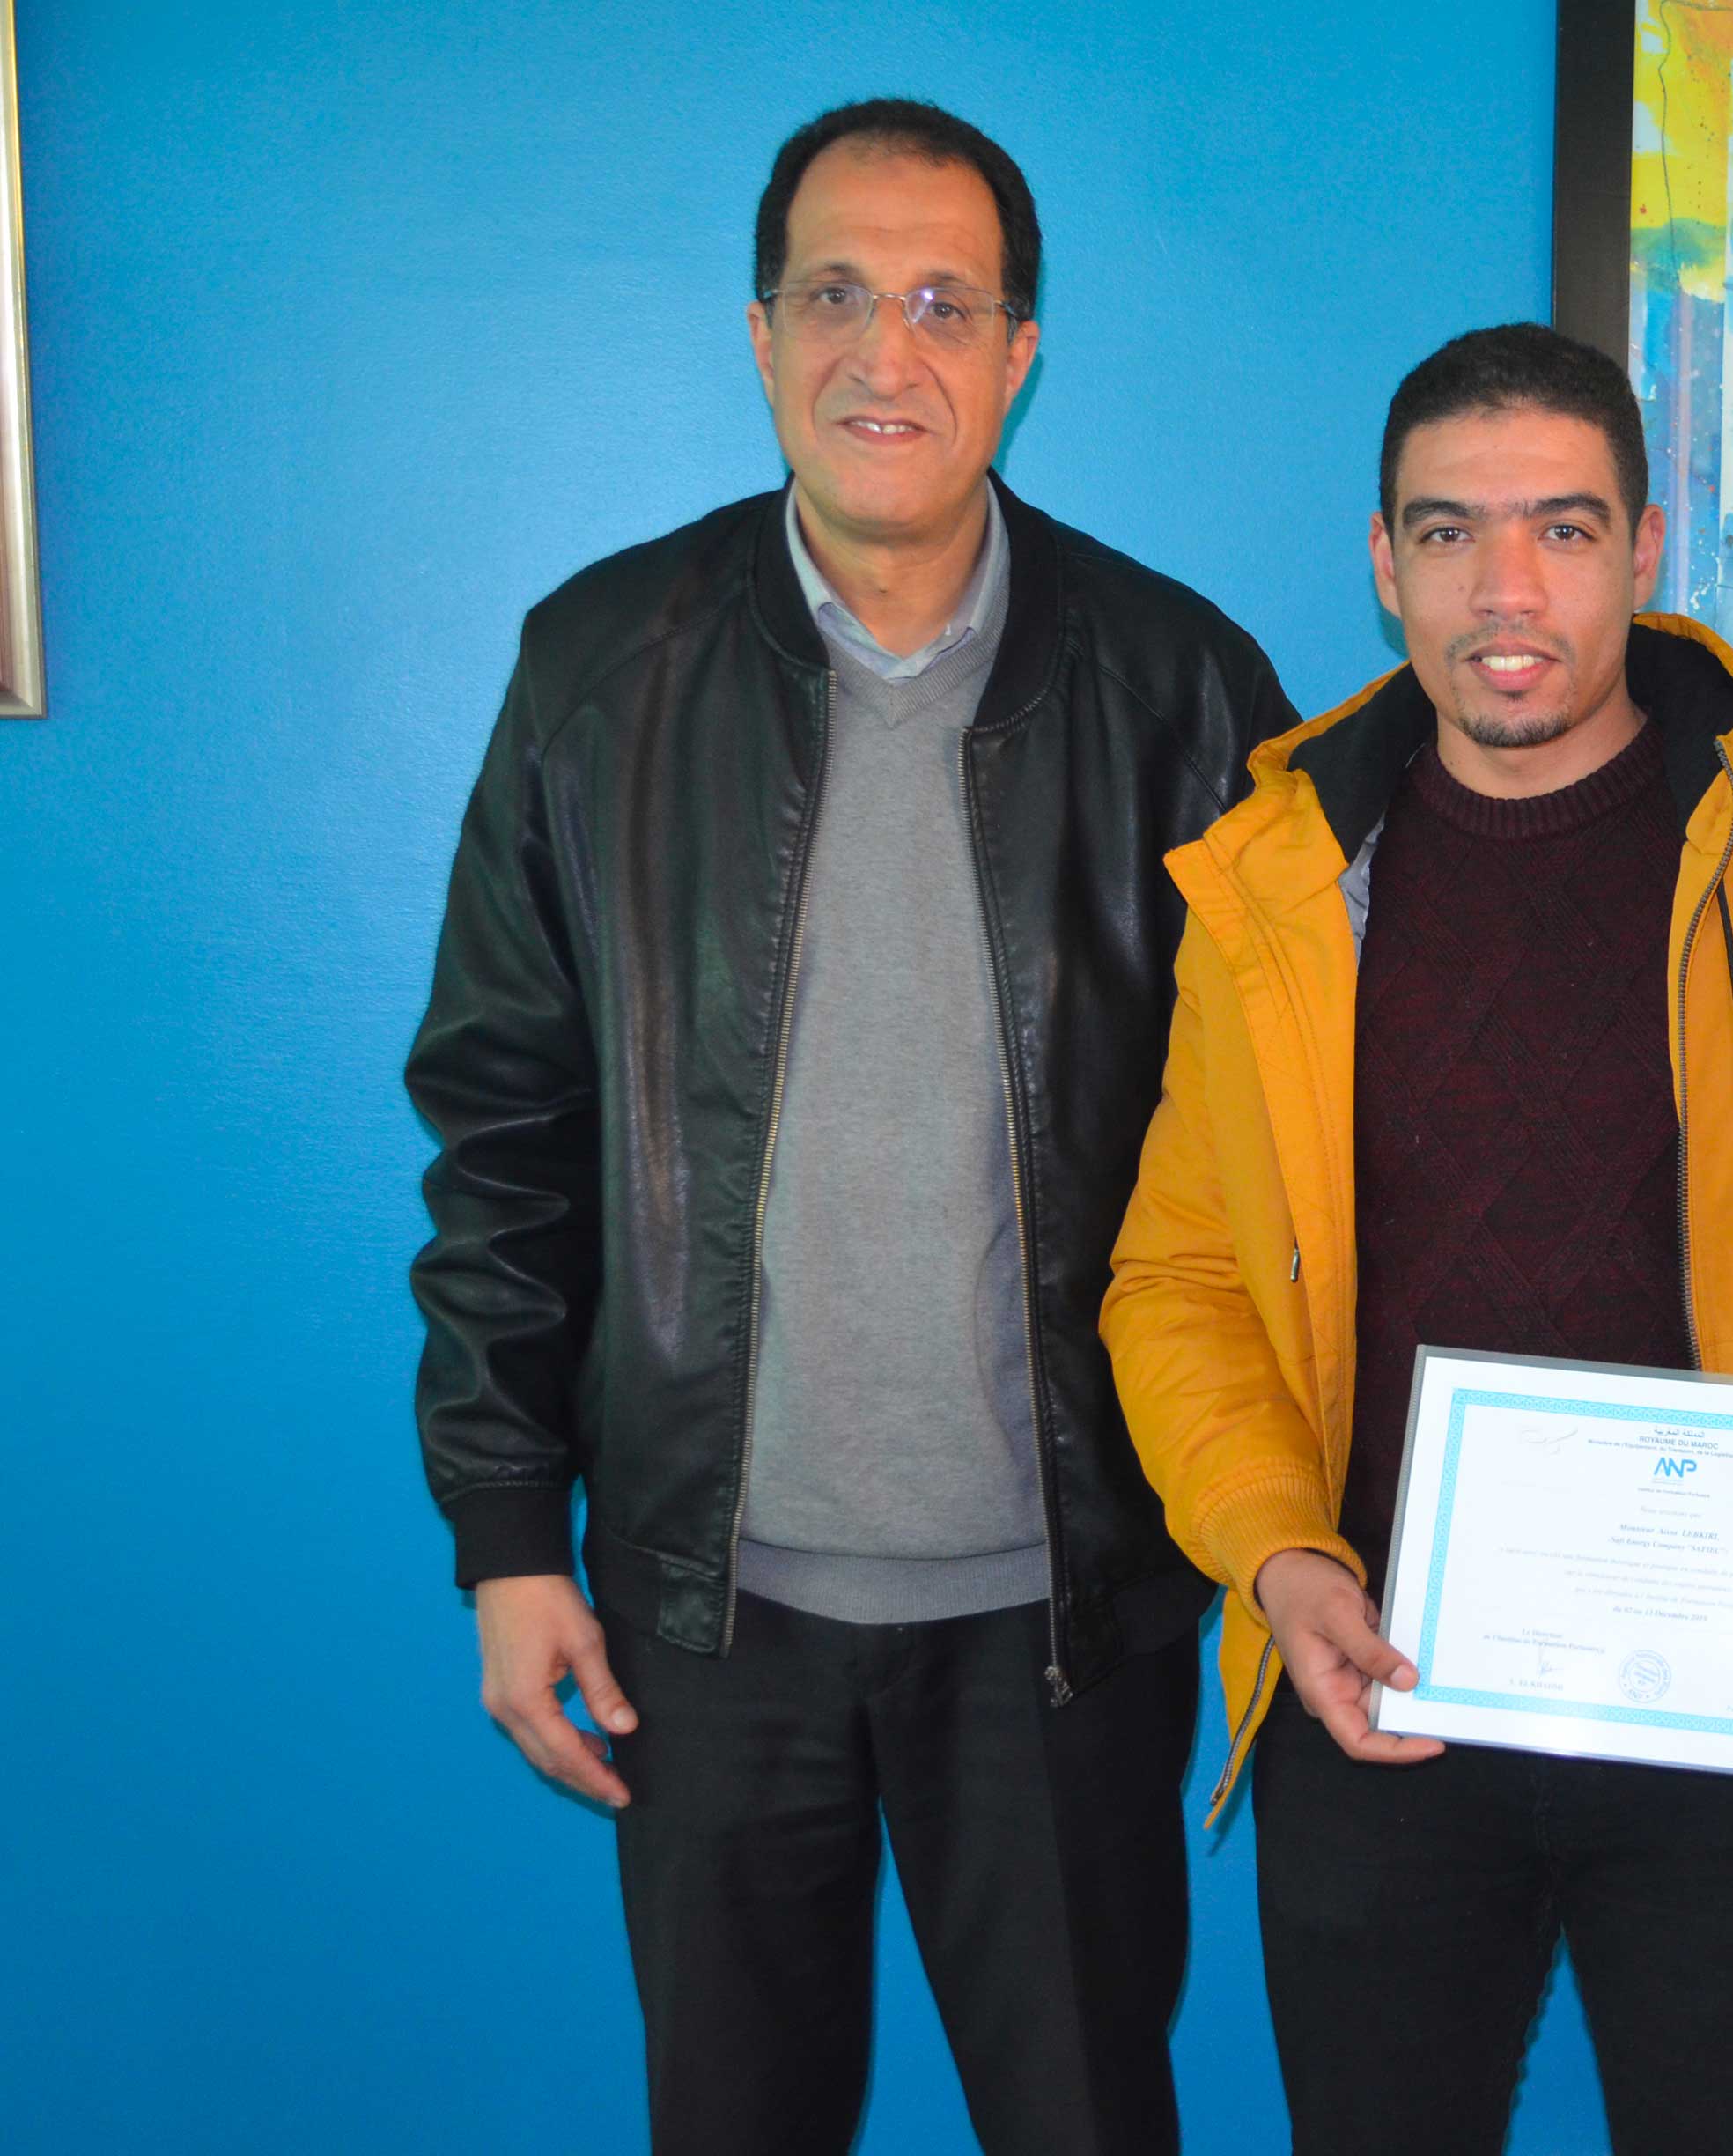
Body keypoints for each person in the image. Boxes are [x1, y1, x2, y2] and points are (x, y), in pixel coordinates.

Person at [1101, 322, 1733, 2154]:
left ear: (1645, 555)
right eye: (1448, 532)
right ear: (1381, 557)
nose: (1506, 591)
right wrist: (1273, 1559)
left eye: (1563, 531)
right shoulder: (1270, 883)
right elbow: (1172, 1282)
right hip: (1379, 1684)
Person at [405, 98, 1295, 2154]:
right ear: (757, 330)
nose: (881, 350)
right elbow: (504, 1126)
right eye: (833, 293)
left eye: (941, 301)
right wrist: (504, 1538)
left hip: (1066, 1606)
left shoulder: (1181, 686)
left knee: (1088, 2117)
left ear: (1016, 352)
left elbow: (1290, 1163)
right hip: (705, 1611)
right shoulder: (598, 669)